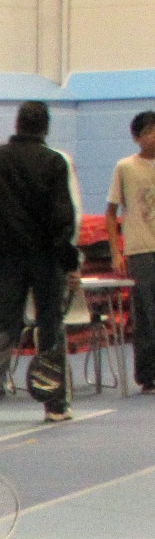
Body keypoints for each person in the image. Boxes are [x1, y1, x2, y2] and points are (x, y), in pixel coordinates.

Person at [0, 100, 79, 428]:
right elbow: (62, 216)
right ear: (45, 127)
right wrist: (69, 260)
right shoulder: (53, 162)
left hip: (5, 260)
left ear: (18, 123)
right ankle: (54, 402)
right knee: (49, 325)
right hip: (44, 258)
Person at [106, 109, 155, 392]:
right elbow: (111, 213)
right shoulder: (125, 167)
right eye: (148, 131)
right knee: (145, 313)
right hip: (140, 250)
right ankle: (147, 374)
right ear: (137, 137)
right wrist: (116, 252)